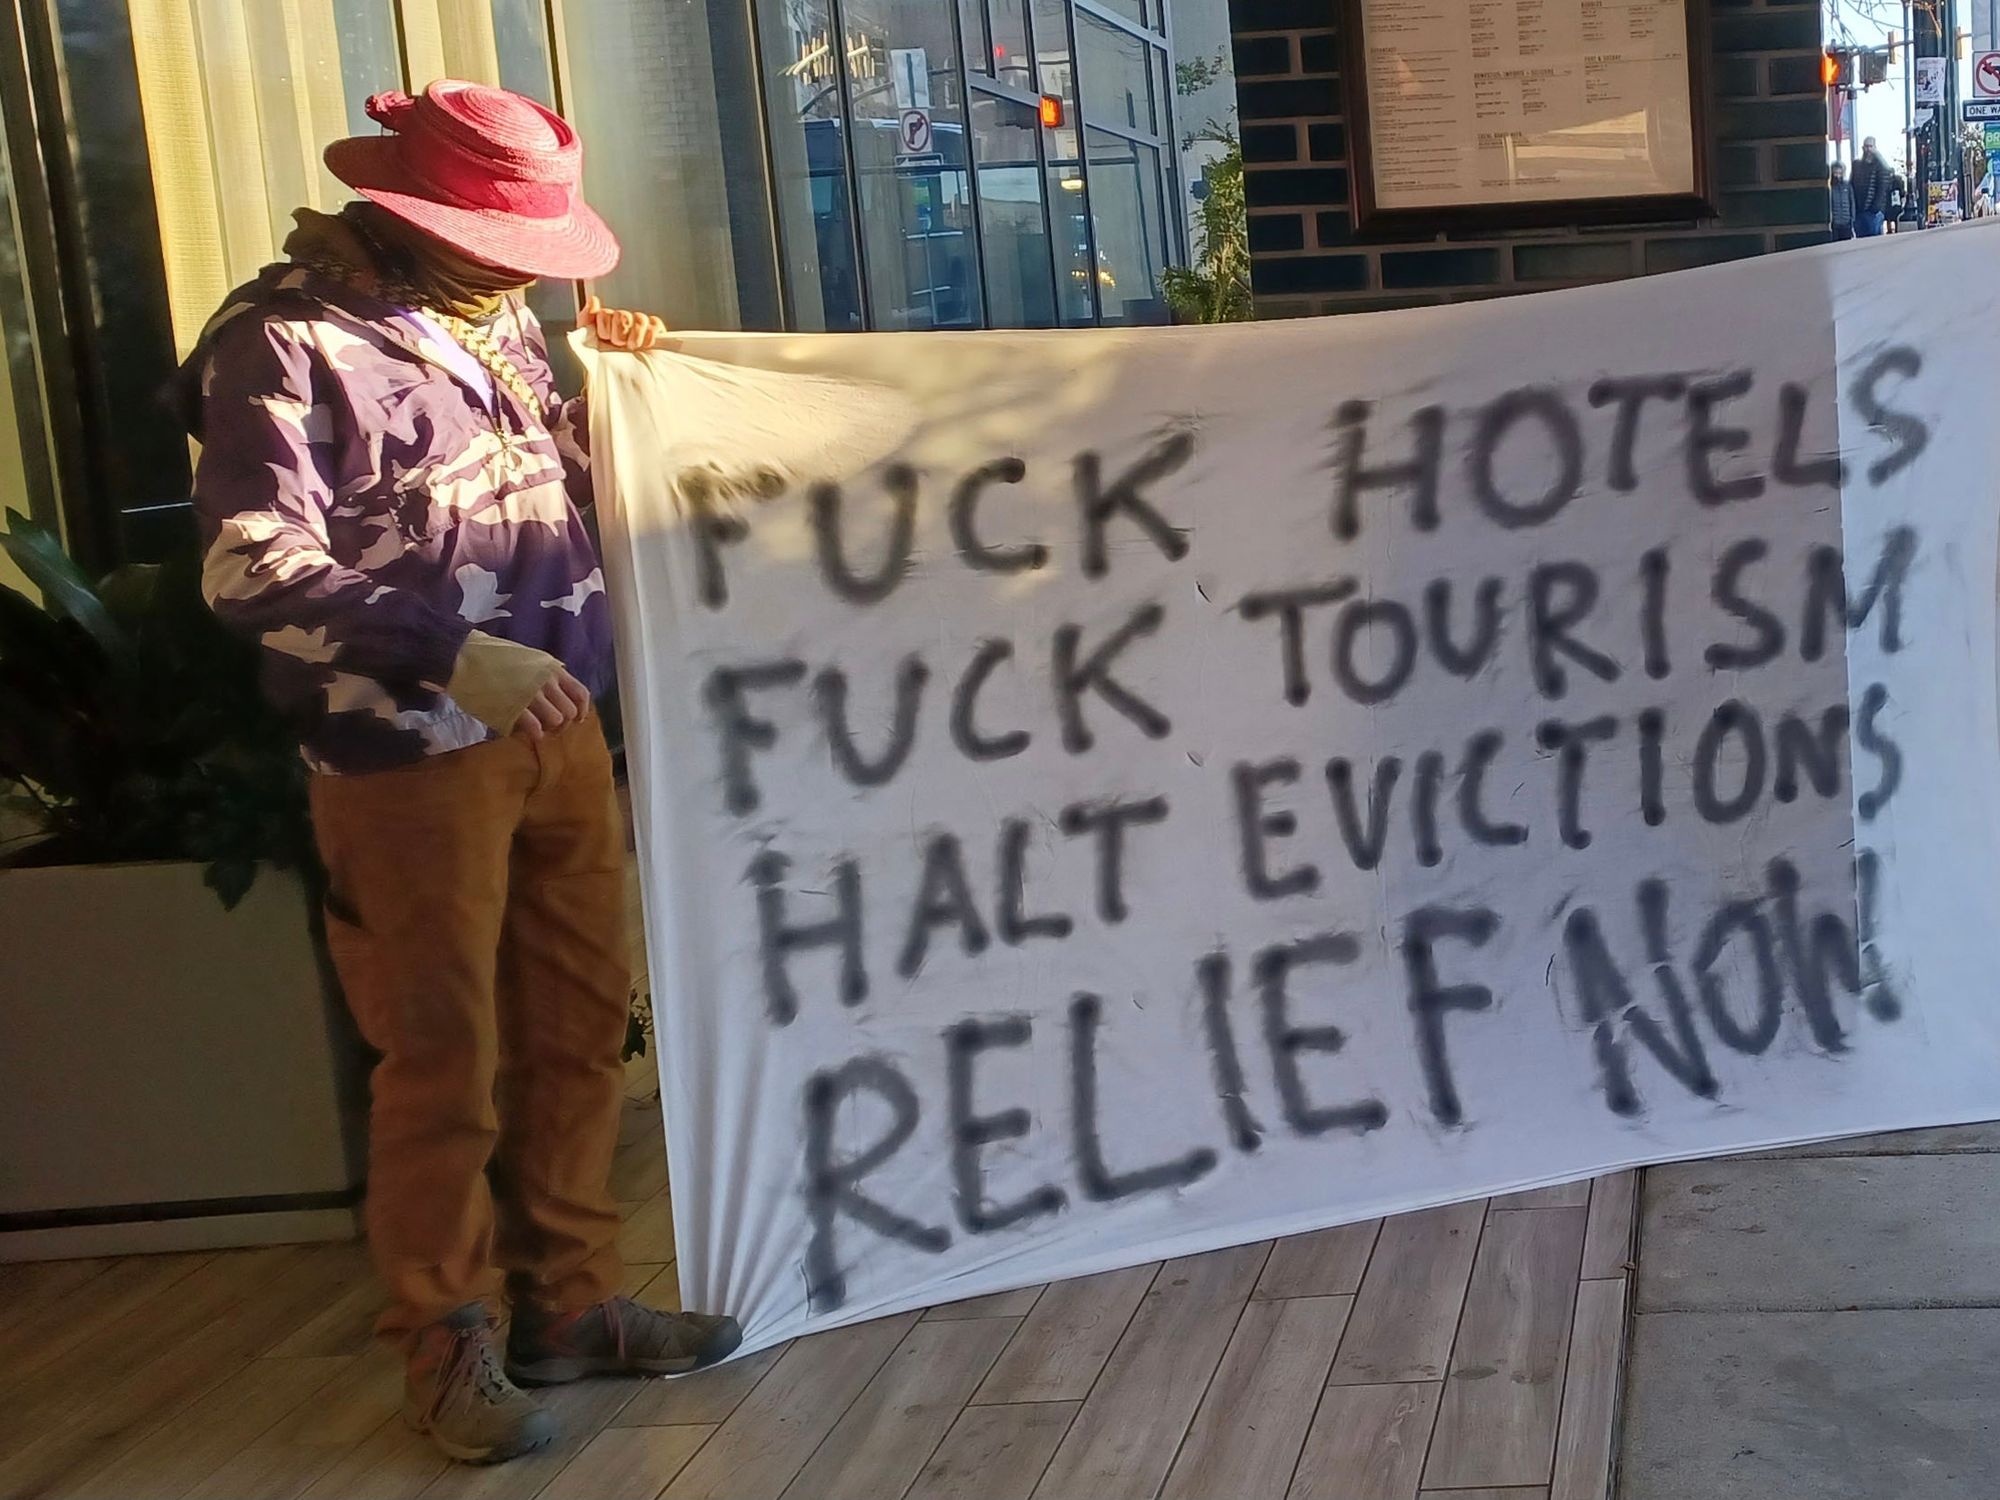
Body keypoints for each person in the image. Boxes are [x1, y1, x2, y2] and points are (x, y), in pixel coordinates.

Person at [170, 80, 739, 1466]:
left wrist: (632, 400)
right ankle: (445, 1341)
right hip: (404, 751)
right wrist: (444, 654)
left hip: (557, 729)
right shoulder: (281, 342)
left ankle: (573, 1302)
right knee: (441, 1056)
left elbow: (564, 504)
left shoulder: (509, 329)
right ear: (418, 216)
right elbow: (250, 559)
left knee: (577, 1023)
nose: (530, 258)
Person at [1851, 138, 1892, 236]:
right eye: (1866, 146)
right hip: (1859, 212)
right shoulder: (1857, 165)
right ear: (1862, 148)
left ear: (1875, 147)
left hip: (1873, 213)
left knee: (1873, 242)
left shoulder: (1881, 166)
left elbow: (1882, 189)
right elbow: (1852, 186)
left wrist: (1875, 208)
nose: (1868, 149)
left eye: (1870, 146)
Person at [1830, 162, 1855, 240]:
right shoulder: (1830, 187)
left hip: (1846, 223)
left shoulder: (1847, 186)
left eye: (1840, 173)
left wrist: (1852, 220)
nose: (1837, 175)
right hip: (1835, 224)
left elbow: (1852, 203)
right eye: (1835, 173)